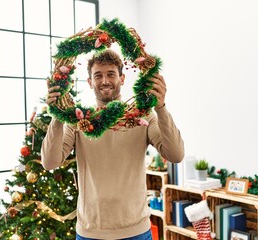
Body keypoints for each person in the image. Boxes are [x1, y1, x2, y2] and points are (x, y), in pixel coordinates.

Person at [41, 49, 184, 240]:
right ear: (90, 82)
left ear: (122, 78)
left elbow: (176, 154)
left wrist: (161, 108)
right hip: (90, 233)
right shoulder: (78, 120)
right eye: (98, 75)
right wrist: (58, 115)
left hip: (136, 231)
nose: (105, 81)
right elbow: (50, 162)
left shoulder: (142, 116)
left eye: (111, 74)